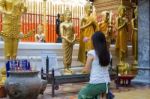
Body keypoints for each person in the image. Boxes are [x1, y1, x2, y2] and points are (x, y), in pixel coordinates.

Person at [78, 31, 111, 99]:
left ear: (94, 42)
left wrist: (82, 70)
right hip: (107, 84)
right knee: (93, 96)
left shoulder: (92, 53)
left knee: (81, 94)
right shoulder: (109, 54)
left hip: (96, 83)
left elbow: (86, 70)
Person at [60, 8, 76, 74]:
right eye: (69, 15)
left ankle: (69, 67)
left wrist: (74, 38)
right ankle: (65, 68)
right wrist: (68, 39)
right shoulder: (62, 24)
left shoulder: (72, 24)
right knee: (65, 55)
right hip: (66, 41)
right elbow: (62, 35)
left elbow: (74, 33)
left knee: (70, 55)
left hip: (71, 41)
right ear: (65, 16)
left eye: (70, 15)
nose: (70, 16)